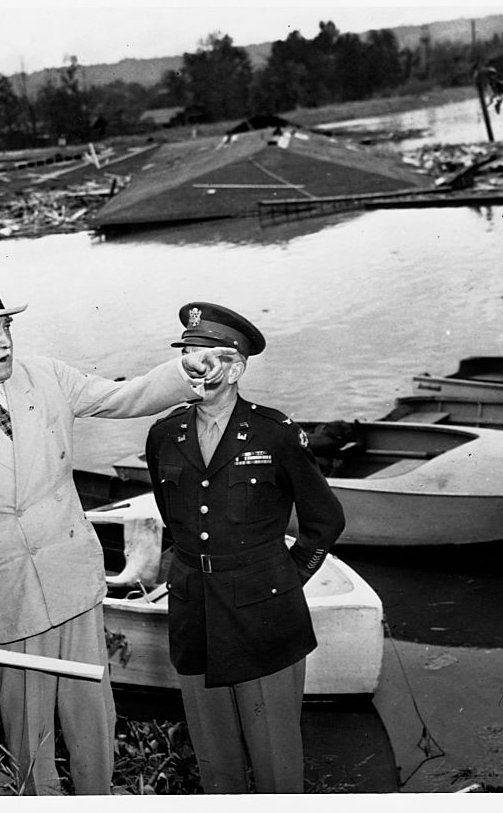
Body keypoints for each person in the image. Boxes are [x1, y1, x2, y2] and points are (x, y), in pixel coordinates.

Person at [0, 278, 233, 795]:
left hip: (72, 582)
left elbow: (123, 397)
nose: (7, 341)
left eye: (8, 327)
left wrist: (183, 371)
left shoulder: (47, 377)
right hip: (6, 599)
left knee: (92, 719)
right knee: (27, 729)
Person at [144, 302, 346, 793]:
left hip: (265, 619)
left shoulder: (274, 434)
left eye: (206, 355)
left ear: (235, 368)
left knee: (276, 764)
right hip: (196, 616)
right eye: (187, 354)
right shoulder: (163, 434)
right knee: (218, 766)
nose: (193, 365)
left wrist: (284, 576)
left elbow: (325, 521)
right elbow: (176, 520)